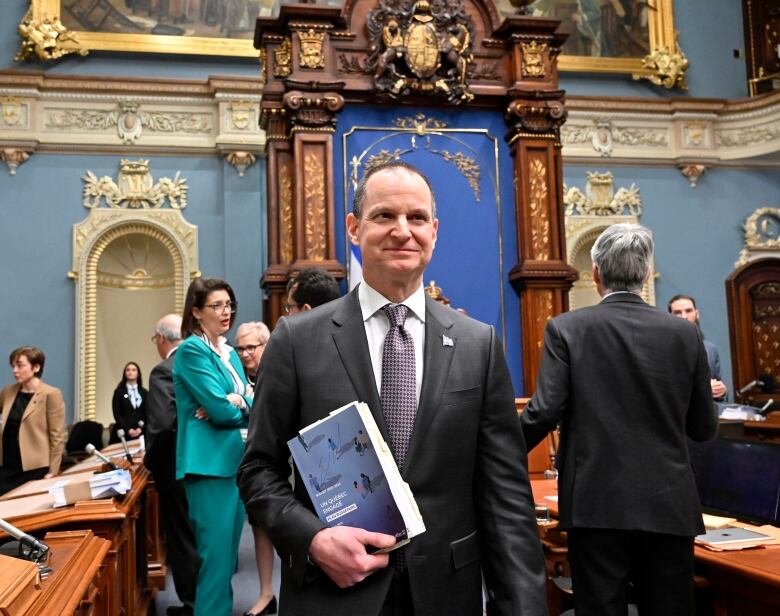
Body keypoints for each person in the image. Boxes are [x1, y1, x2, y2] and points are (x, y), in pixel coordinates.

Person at [237, 161, 547, 615]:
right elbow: (258, 470)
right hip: (332, 592)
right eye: (384, 216)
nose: (403, 230)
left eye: (417, 218)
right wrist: (313, 539)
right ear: (354, 228)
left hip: (446, 593)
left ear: (434, 231)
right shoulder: (297, 340)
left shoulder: (477, 344)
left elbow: (505, 493)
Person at [520, 223, 719, 616]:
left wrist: (494, 455)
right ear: (646, 274)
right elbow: (703, 427)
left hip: (596, 506)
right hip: (669, 506)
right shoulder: (685, 335)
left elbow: (543, 411)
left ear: (594, 273)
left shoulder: (567, 328)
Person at [173, 277, 252, 616]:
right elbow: (220, 411)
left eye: (229, 304)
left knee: (227, 560)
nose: (226, 312)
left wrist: (239, 400)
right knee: (216, 562)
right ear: (196, 311)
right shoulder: (192, 350)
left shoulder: (231, 353)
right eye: (216, 305)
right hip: (208, 467)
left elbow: (250, 399)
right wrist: (235, 404)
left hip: (235, 461)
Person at [144, 314, 198, 616]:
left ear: (162, 339)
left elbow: (163, 425)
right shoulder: (201, 364)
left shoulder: (164, 370)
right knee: (199, 535)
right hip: (205, 463)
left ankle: (192, 602)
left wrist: (151, 461)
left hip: (175, 467)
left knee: (181, 537)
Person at [233, 320, 276, 616]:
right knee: (259, 528)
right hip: (252, 464)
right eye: (241, 348)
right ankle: (265, 594)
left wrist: (243, 404)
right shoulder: (234, 376)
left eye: (252, 347)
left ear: (265, 345)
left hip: (283, 461)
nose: (246, 353)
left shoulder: (278, 370)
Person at [0, 347, 66, 495]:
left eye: (20, 365)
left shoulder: (51, 394)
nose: (14, 371)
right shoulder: (8, 391)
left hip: (34, 468)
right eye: (13, 366)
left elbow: (57, 436)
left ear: (36, 367)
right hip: (7, 465)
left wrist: (53, 471)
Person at [668, 294, 728, 400]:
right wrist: (703, 388)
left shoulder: (711, 349)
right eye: (677, 312)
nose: (684, 317)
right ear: (669, 316)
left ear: (697, 314)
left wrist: (722, 391)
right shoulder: (662, 349)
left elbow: (718, 386)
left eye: (688, 311)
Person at [110, 361, 147, 444]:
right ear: (124, 373)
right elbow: (117, 414)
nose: (130, 372)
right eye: (128, 370)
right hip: (123, 434)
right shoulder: (119, 392)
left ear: (138, 374)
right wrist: (128, 429)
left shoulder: (144, 393)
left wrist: (140, 428)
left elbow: (147, 413)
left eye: (134, 370)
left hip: (141, 433)